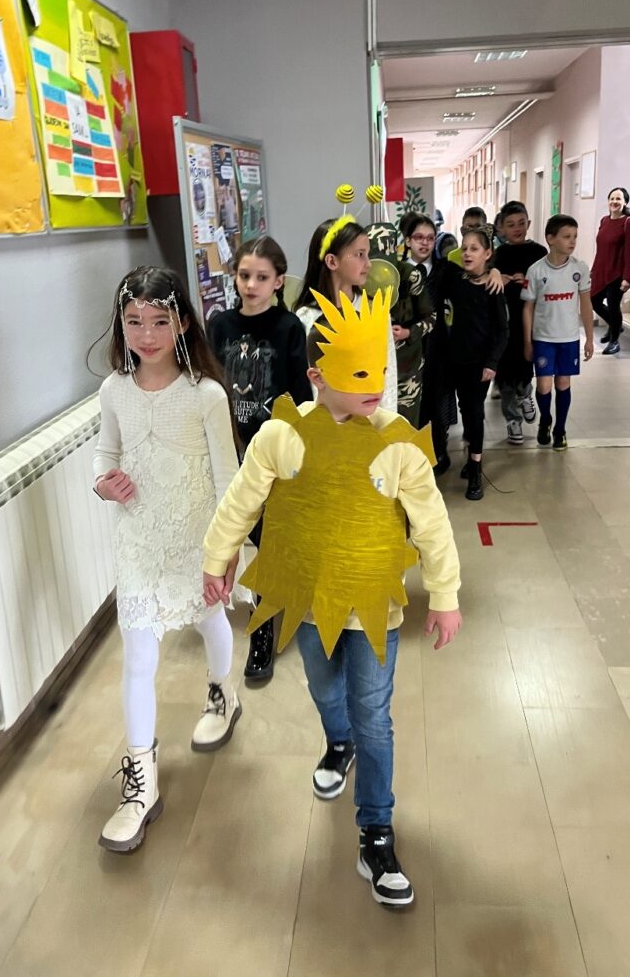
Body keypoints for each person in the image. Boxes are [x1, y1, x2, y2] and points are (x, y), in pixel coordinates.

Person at [201, 283, 462, 907]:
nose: (377, 383)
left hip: (375, 607)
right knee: (324, 689)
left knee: (375, 713)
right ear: (318, 375)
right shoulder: (281, 436)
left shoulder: (397, 441)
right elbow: (240, 501)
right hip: (309, 600)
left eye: (381, 369)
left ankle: (376, 829)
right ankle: (336, 741)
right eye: (360, 372)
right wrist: (217, 558)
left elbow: (431, 521)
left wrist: (445, 593)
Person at [91, 267, 243, 854]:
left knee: (209, 619)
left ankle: (223, 693)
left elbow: (229, 479)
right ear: (121, 324)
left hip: (196, 539)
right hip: (138, 541)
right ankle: (140, 784)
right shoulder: (113, 390)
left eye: (160, 321)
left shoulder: (206, 395)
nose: (147, 334)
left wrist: (226, 551)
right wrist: (104, 483)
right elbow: (104, 452)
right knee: (137, 656)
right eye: (134, 321)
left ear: (181, 323)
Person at [207, 236, 313, 682]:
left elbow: (300, 395)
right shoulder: (219, 325)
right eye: (244, 275)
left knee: (270, 539)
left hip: (273, 453)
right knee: (246, 533)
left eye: (261, 277)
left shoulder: (289, 328)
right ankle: (269, 602)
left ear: (278, 282)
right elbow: (209, 386)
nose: (251, 285)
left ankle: (264, 626)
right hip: (231, 450)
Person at [294, 215, 398, 411]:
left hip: (371, 419)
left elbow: (388, 373)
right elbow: (312, 382)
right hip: (327, 422)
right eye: (360, 254)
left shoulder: (375, 311)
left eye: (367, 254)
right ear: (332, 261)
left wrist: (388, 421)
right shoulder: (306, 318)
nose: (368, 264)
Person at [439, 227, 509, 499]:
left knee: (475, 411)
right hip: (455, 360)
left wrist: (492, 363)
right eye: (464, 248)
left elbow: (502, 331)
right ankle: (469, 458)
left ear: (487, 253)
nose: (467, 253)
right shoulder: (455, 280)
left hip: (481, 365)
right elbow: (438, 263)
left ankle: (476, 468)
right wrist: (494, 269)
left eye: (474, 249)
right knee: (464, 409)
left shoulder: (493, 288)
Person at [522, 215, 594, 451]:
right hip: (543, 338)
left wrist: (589, 338)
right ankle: (545, 419)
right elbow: (528, 308)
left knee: (563, 382)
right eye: (566, 237)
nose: (572, 241)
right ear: (550, 239)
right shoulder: (536, 270)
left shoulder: (579, 269)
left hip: (569, 338)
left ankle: (560, 429)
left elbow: (586, 304)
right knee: (544, 386)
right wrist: (527, 342)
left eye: (574, 237)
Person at [492, 201, 548, 445]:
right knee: (504, 372)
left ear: (529, 224)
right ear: (501, 228)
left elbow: (547, 285)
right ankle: (512, 420)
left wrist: (527, 282)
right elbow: (486, 285)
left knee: (525, 364)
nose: (517, 228)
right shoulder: (497, 255)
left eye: (521, 223)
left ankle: (525, 393)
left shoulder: (539, 253)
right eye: (511, 224)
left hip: (530, 322)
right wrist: (498, 279)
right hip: (503, 323)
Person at [393, 214, 438, 426]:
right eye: (419, 237)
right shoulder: (394, 273)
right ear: (408, 240)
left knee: (435, 413)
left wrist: (494, 270)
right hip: (404, 357)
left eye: (430, 238)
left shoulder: (445, 269)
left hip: (437, 352)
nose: (425, 243)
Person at [591, 187, 630, 355]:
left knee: (613, 307)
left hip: (617, 273)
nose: (614, 202)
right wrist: (593, 270)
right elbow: (601, 249)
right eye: (612, 198)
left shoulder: (628, 223)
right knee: (594, 301)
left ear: (625, 202)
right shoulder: (604, 221)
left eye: (618, 199)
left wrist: (627, 278)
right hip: (601, 270)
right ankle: (615, 326)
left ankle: (614, 341)